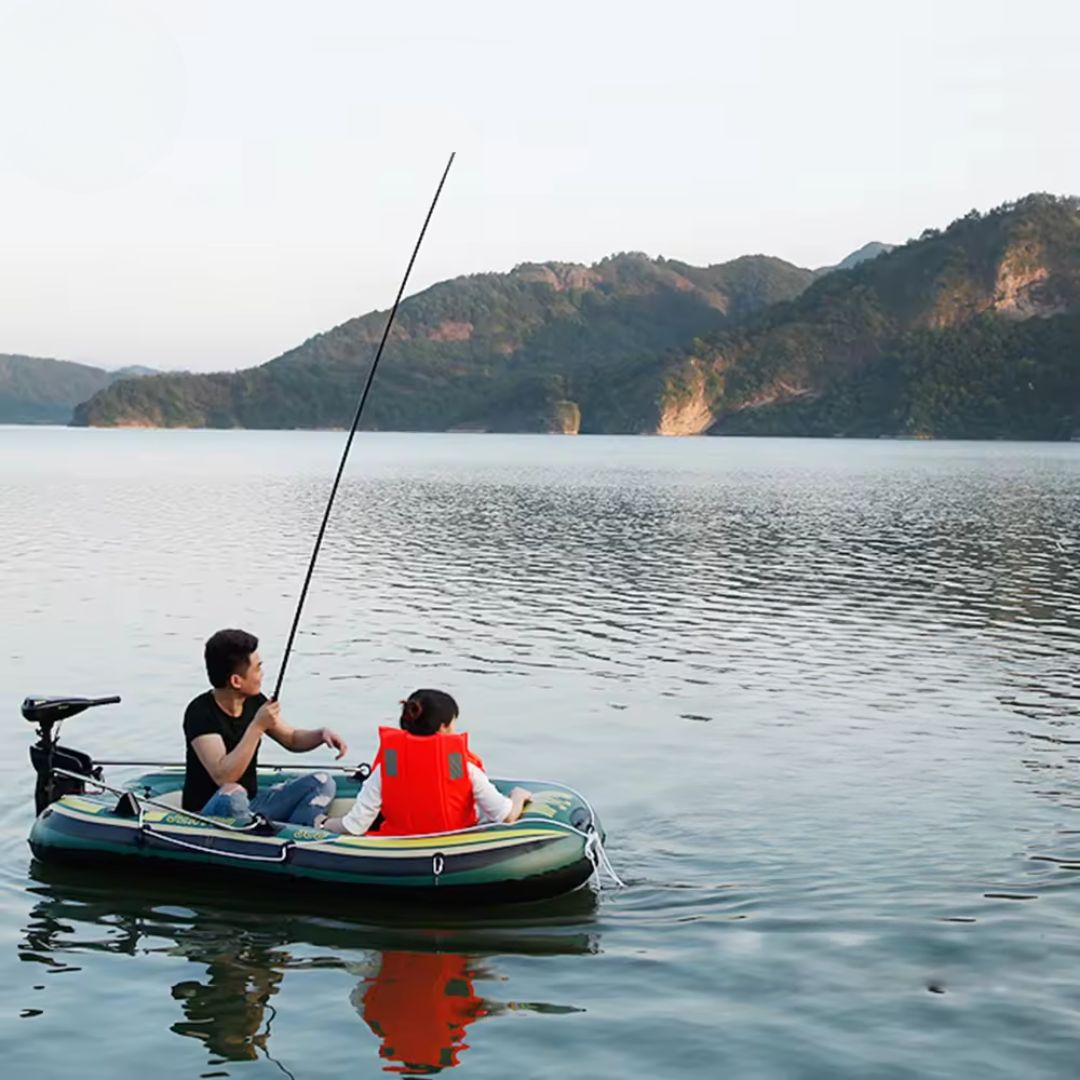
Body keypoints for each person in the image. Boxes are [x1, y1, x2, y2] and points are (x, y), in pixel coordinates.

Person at [182, 628, 349, 826]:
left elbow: (292, 738)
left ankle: (298, 833)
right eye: (257, 668)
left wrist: (321, 734)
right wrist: (257, 726)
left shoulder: (255, 702)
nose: (261, 675)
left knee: (322, 782)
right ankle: (260, 832)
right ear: (236, 681)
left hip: (252, 805)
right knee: (233, 793)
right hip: (209, 812)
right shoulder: (200, 712)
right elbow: (224, 776)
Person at [315, 689, 530, 835]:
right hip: (457, 844)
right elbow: (506, 815)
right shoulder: (459, 766)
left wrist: (324, 823)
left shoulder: (389, 767)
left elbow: (355, 825)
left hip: (399, 846)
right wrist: (518, 796)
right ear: (444, 727)